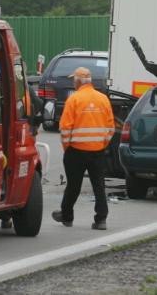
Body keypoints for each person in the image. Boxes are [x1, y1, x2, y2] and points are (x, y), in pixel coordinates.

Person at [51, 67, 115, 230]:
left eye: (74, 80)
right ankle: (101, 219)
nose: (73, 82)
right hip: (98, 151)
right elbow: (111, 128)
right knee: (99, 185)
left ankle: (67, 216)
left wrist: (67, 147)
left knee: (73, 185)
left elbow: (65, 128)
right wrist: (102, 144)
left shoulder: (74, 99)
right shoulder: (103, 99)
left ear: (78, 81)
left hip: (76, 151)